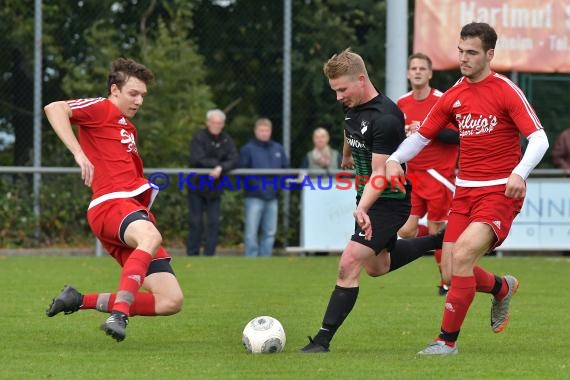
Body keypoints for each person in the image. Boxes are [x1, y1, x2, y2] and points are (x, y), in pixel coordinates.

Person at [386, 22, 549, 355]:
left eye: (472, 52)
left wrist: (519, 173)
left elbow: (539, 138)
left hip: (499, 192)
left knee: (461, 256)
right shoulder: (454, 95)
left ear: (490, 54)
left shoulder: (505, 90)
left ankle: (446, 342)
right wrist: (395, 159)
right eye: (460, 51)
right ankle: (502, 287)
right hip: (464, 193)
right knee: (449, 269)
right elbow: (421, 136)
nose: (464, 58)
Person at [300, 48, 445, 353]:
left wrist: (362, 208)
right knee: (378, 267)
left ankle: (322, 340)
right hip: (368, 196)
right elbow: (349, 126)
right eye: (335, 90)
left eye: (342, 89)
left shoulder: (387, 118)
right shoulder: (353, 105)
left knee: (349, 262)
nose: (338, 97)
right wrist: (347, 153)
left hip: (389, 201)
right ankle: (438, 240)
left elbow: (381, 173)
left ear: (361, 80)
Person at [44, 58, 184, 342]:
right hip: (111, 205)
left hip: (129, 210)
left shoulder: (128, 128)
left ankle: (77, 300)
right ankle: (119, 314)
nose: (139, 100)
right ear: (114, 90)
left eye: (143, 95)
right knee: (150, 237)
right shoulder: (101, 107)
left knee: (171, 300)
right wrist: (78, 152)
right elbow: (54, 108)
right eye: (133, 93)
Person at [396, 53, 459, 296]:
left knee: (436, 230)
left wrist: (427, 129)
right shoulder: (401, 103)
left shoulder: (442, 101)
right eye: (414, 68)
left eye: (423, 68)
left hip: (438, 175)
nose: (418, 72)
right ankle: (452, 245)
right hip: (414, 175)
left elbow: (457, 136)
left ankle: (447, 284)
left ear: (430, 74)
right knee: (406, 231)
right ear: (408, 73)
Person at [187, 109, 239, 256]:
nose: (217, 125)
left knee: (214, 222)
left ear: (223, 124)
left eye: (220, 123)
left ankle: (209, 255)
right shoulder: (199, 137)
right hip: (197, 186)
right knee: (196, 222)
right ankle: (192, 253)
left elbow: (234, 159)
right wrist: (216, 165)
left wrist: (221, 168)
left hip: (215, 188)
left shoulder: (226, 139)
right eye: (214, 122)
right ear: (208, 123)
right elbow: (197, 159)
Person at [239, 118, 289, 257]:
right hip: (254, 197)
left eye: (266, 130)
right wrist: (256, 188)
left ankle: (265, 259)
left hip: (272, 197)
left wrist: (276, 188)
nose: (264, 133)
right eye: (261, 130)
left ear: (270, 131)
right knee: (251, 232)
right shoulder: (247, 149)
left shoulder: (278, 148)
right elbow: (242, 173)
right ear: (255, 131)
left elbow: (285, 170)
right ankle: (251, 259)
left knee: (270, 232)